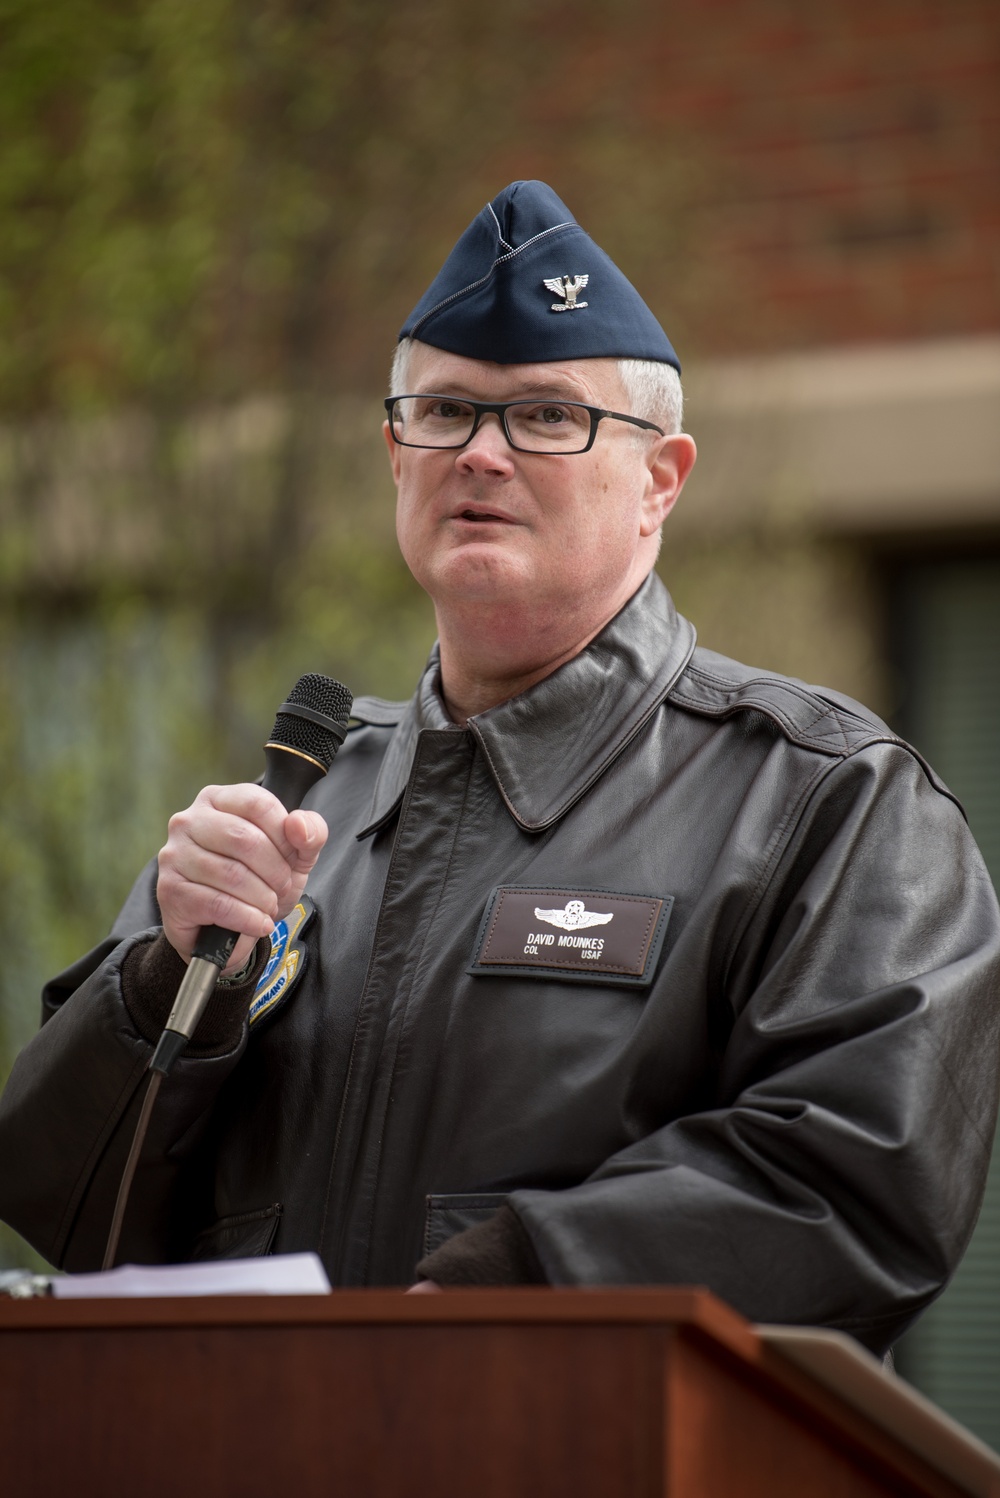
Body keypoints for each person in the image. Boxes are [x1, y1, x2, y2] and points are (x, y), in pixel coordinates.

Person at [1, 182, 997, 1353]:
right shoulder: (299, 800)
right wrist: (166, 979)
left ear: (659, 479)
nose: (479, 452)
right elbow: (68, 1201)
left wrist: (510, 1290)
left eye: (543, 418)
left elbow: (854, 1180)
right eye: (443, 412)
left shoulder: (823, 799)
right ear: (394, 454)